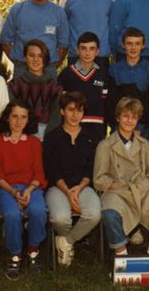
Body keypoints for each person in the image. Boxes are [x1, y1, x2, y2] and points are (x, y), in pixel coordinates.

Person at [94, 97, 149, 256]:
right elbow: (99, 179)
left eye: (134, 117)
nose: (129, 120)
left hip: (143, 189)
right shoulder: (105, 145)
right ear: (118, 118)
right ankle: (121, 255)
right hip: (118, 191)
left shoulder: (145, 144)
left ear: (138, 119)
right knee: (110, 214)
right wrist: (116, 185)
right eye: (125, 116)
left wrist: (147, 181)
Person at [0, 100, 48, 280]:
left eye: (23, 117)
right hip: (5, 188)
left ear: (28, 120)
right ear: (7, 117)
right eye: (14, 116)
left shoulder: (34, 142)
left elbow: (39, 172)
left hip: (31, 187)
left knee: (38, 210)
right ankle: (15, 255)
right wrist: (14, 193)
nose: (18, 121)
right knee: (12, 213)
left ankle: (32, 251)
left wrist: (29, 190)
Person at [44, 91, 101, 267]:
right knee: (60, 218)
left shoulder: (91, 137)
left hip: (83, 186)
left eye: (79, 110)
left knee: (94, 214)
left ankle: (66, 242)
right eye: (70, 110)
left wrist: (79, 187)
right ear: (62, 111)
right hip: (58, 187)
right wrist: (68, 193)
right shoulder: (52, 137)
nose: (75, 115)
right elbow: (51, 170)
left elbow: (91, 168)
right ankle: (69, 241)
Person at [0, 0, 69, 78]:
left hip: (49, 68)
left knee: (49, 96)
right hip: (22, 68)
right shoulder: (17, 10)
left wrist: (53, 65)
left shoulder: (59, 12)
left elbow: (64, 45)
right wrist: (17, 61)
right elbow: (5, 40)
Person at [59, 0, 113, 70]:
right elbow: (62, 29)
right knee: (74, 89)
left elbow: (113, 28)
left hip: (101, 57)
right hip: (76, 57)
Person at [107, 27, 149, 141]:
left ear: (143, 45)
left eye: (137, 44)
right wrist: (119, 126)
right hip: (119, 128)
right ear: (123, 45)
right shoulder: (114, 70)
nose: (133, 48)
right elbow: (111, 102)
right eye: (129, 44)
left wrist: (139, 127)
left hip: (144, 129)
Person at [58, 32, 108, 142]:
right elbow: (60, 105)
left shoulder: (104, 75)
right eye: (83, 48)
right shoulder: (66, 74)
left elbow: (107, 105)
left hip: (97, 129)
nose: (87, 53)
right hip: (71, 128)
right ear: (77, 50)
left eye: (92, 49)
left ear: (97, 51)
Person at [8, 39, 63, 141]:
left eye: (40, 56)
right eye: (31, 55)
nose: (36, 60)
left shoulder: (55, 86)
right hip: (21, 134)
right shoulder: (14, 85)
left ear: (45, 59)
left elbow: (56, 116)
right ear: (25, 58)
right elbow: (12, 114)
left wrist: (48, 137)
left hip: (48, 133)